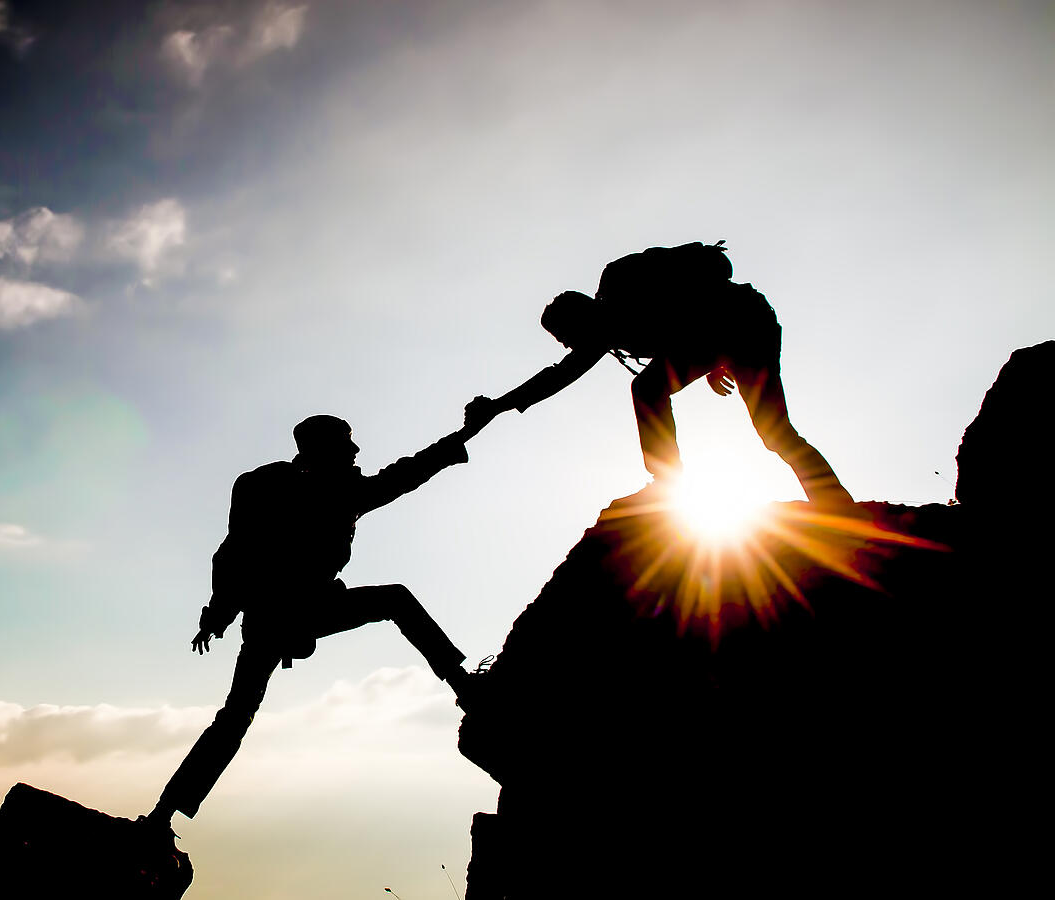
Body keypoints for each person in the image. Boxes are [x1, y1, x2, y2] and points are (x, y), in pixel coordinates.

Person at [142, 412, 485, 831]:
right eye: (347, 442)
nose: (356, 451)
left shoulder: (273, 487)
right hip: (296, 614)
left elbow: (232, 555)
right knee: (394, 599)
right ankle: (461, 682)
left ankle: (163, 813)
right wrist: (464, 435)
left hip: (269, 622)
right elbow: (404, 475)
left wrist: (218, 616)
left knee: (234, 717)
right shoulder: (328, 492)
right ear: (323, 449)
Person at [466, 242, 854, 506]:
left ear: (581, 318)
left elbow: (712, 270)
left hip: (746, 322)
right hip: (725, 336)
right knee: (652, 389)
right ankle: (667, 482)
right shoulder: (604, 333)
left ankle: (834, 504)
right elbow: (558, 377)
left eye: (569, 338)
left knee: (772, 432)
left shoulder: (621, 281)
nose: (572, 349)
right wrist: (499, 405)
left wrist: (712, 355)